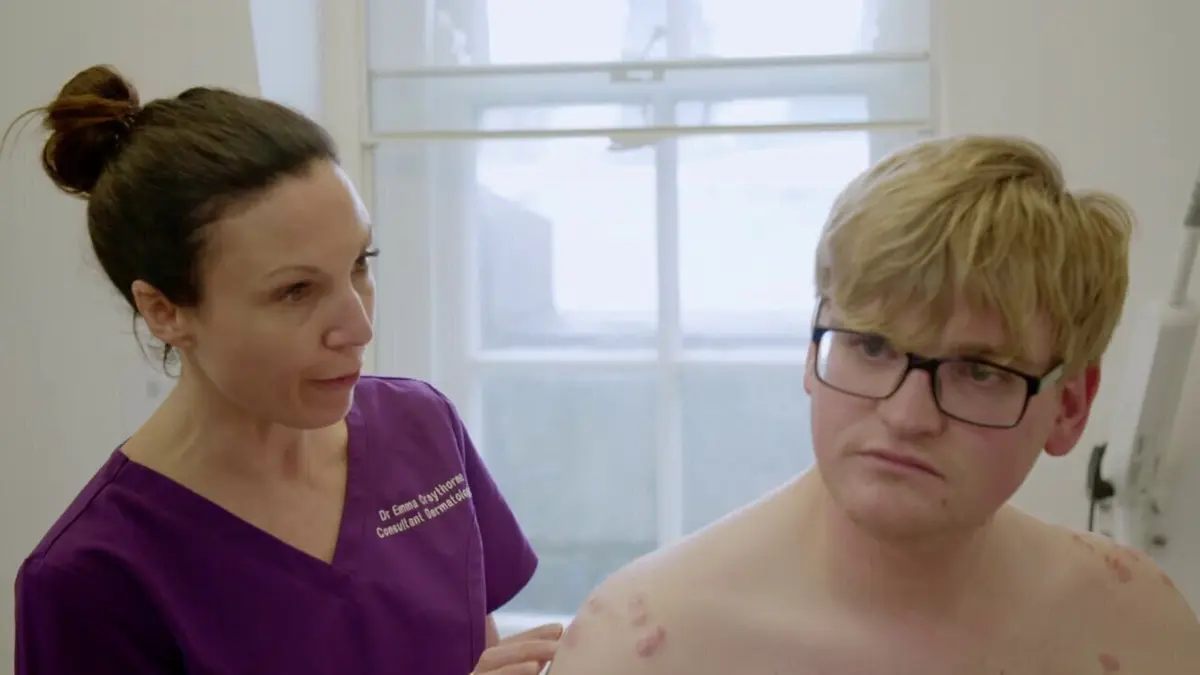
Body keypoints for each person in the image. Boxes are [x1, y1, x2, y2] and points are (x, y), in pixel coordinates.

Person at [547, 135, 1200, 674]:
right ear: (813, 352)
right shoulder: (645, 643)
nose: (908, 417)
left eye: (978, 371)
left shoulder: (1136, 624)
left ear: (1070, 407)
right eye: (872, 346)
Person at [11, 65, 560, 675]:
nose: (358, 328)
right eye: (296, 290)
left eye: (360, 264)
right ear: (165, 311)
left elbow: (477, 652)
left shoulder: (422, 427)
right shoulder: (91, 578)